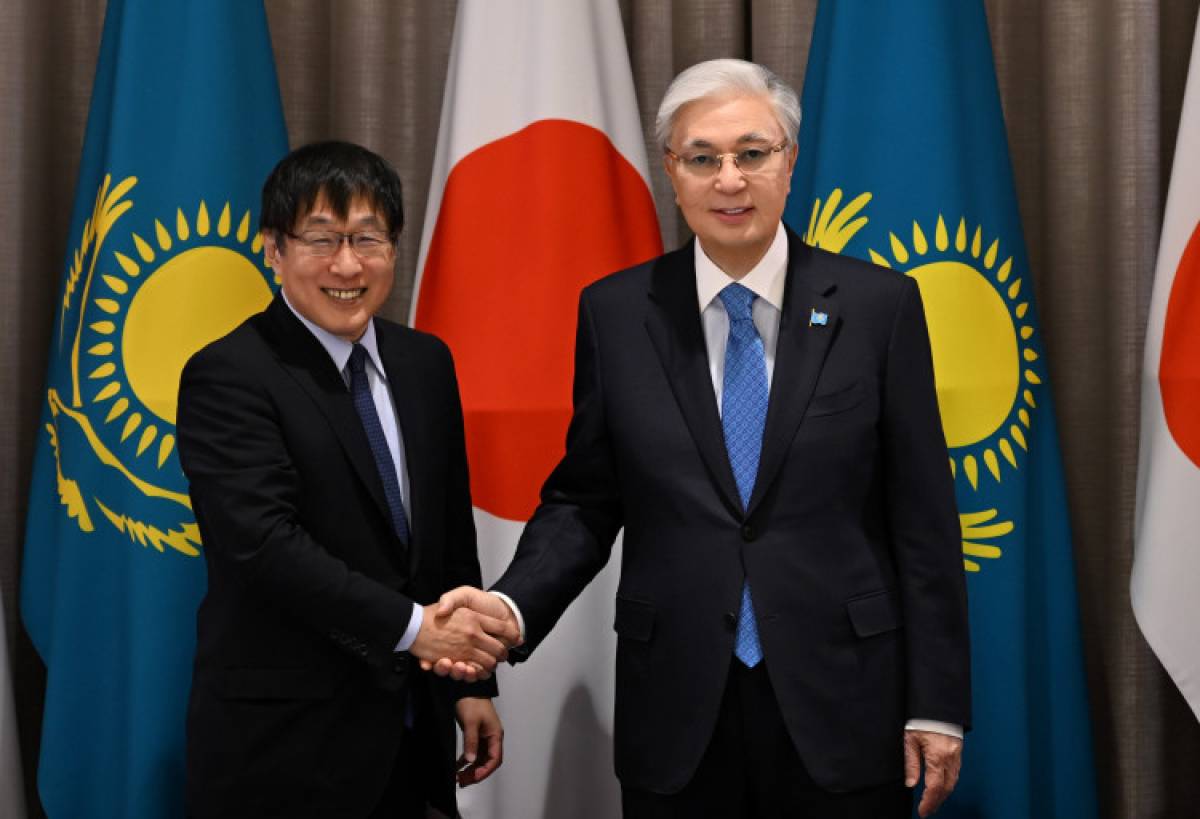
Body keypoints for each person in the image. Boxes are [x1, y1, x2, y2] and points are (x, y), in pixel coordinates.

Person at [432, 60, 971, 817]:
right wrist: (511, 607)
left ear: (789, 161)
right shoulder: (617, 314)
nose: (729, 179)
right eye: (703, 158)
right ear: (671, 171)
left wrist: (937, 704)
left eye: (752, 153)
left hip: (843, 698)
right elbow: (586, 499)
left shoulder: (879, 307)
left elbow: (923, 520)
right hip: (678, 704)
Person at [176, 141, 518, 818]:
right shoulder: (229, 373)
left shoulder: (425, 362)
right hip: (285, 743)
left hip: (412, 733)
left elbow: (448, 537)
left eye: (367, 238)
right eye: (321, 239)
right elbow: (262, 544)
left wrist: (468, 682)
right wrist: (415, 628)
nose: (347, 264)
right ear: (273, 250)